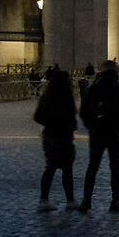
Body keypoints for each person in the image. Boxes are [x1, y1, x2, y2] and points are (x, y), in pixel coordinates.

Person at [78, 62, 119, 212]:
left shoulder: (93, 90)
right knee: (115, 168)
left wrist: (92, 126)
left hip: (97, 133)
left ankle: (86, 200)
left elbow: (83, 111)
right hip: (114, 133)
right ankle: (116, 199)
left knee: (92, 167)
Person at [33, 67, 79, 210]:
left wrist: (49, 123)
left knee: (50, 168)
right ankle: (70, 201)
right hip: (64, 136)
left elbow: (37, 116)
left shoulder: (46, 97)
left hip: (49, 136)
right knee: (67, 169)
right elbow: (72, 119)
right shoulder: (67, 98)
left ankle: (44, 200)